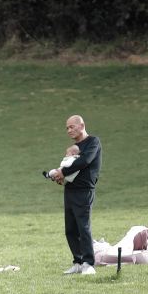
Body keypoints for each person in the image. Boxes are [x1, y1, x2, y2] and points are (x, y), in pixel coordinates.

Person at [50, 115, 102, 275]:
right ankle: (78, 262)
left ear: (82, 125)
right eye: (67, 128)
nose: (69, 130)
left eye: (72, 126)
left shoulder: (93, 142)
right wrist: (59, 175)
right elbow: (68, 165)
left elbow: (84, 161)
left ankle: (88, 264)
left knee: (83, 227)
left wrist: (63, 172)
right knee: (70, 229)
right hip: (70, 190)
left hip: (84, 191)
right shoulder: (73, 148)